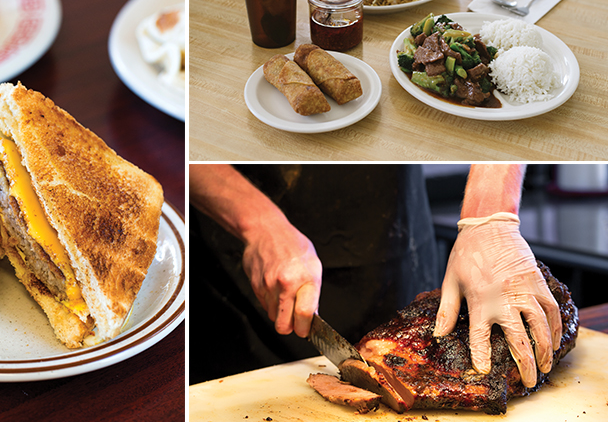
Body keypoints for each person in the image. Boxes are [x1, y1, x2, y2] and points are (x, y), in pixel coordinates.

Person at [189, 164, 561, 390]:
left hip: (389, 234)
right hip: (235, 266)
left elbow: (510, 105)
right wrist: (256, 222)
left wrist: (491, 215)